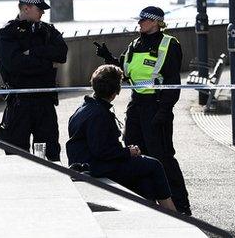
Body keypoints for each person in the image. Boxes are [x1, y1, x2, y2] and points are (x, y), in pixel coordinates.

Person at [94, 6, 192, 216]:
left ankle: (180, 206)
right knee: (135, 154)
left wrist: (165, 111)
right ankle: (146, 200)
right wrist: (108, 58)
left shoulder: (169, 44)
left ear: (155, 22)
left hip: (157, 105)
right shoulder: (135, 45)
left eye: (143, 21)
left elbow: (173, 82)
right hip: (137, 105)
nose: (139, 23)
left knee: (163, 156)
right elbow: (126, 71)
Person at [67, 65, 176, 211]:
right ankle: (172, 213)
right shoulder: (99, 115)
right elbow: (101, 151)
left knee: (146, 180)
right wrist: (128, 152)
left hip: (85, 163)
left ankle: (154, 213)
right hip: (95, 167)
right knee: (154, 165)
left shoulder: (85, 108)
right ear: (115, 92)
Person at [0, 0, 68, 161]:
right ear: (26, 8)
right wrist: (48, 63)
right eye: (39, 8)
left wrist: (32, 51)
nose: (42, 12)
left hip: (44, 103)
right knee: (18, 156)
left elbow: (61, 54)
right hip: (20, 103)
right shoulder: (6, 34)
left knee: (48, 155)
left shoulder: (47, 31)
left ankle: (47, 185)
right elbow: (16, 66)